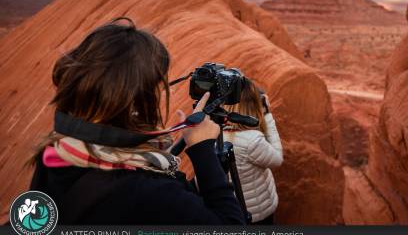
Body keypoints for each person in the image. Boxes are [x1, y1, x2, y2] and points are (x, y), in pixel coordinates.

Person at [28, 18, 244, 225]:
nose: (159, 94)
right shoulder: (146, 191)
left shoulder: (56, 152)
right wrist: (202, 150)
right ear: (133, 104)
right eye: (156, 87)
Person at [223, 79, 283, 224]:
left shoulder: (215, 132)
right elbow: (277, 159)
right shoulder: (252, 141)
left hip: (230, 210)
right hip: (257, 213)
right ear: (254, 106)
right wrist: (267, 115)